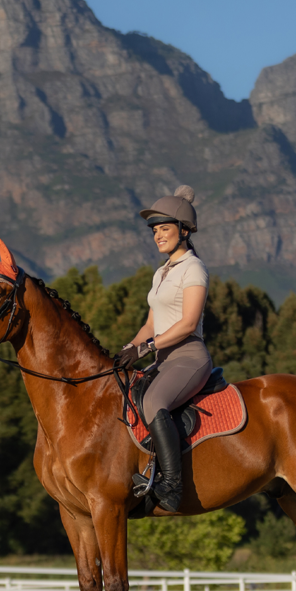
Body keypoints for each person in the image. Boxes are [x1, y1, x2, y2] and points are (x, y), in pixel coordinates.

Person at [115, 185, 212, 512]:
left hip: (189, 359)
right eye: (155, 231)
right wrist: (128, 348)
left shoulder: (194, 269)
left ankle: (171, 485)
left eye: (165, 229)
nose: (158, 236)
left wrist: (146, 348)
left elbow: (187, 323)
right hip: (162, 360)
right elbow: (150, 324)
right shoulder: (161, 273)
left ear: (184, 231)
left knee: (155, 400)